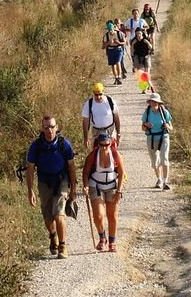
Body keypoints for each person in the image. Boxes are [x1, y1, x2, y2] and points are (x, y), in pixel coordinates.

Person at [26, 115, 77, 259]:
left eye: (52, 127)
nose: (50, 130)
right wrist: (30, 191)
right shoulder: (36, 146)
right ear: (42, 129)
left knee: (59, 213)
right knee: (48, 218)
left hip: (61, 181)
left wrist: (73, 190)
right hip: (44, 182)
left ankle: (63, 246)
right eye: (46, 127)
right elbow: (30, 170)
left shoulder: (64, 145)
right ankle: (53, 235)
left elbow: (71, 168)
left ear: (57, 128)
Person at [82, 132, 125, 252]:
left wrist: (119, 191)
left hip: (112, 186)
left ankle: (112, 242)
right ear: (98, 144)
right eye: (102, 145)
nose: (104, 147)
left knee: (112, 215)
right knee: (99, 216)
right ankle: (102, 238)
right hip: (95, 185)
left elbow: (121, 174)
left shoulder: (116, 155)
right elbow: (85, 172)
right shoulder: (92, 155)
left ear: (110, 143)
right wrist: (85, 186)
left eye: (107, 145)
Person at [141, 93, 173, 190]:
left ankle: (165, 181)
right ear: (150, 102)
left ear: (159, 103)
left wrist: (167, 126)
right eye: (152, 101)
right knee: (155, 162)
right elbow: (142, 128)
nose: (154, 103)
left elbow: (171, 127)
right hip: (151, 138)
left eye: (155, 102)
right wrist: (146, 125)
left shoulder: (164, 112)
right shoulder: (147, 113)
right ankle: (159, 179)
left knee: (164, 159)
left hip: (164, 137)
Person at [82, 82, 121, 149]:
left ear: (103, 92)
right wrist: (86, 138)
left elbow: (116, 117)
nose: (98, 97)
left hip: (110, 131)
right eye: (96, 95)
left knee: (115, 153)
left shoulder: (110, 101)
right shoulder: (89, 104)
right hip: (96, 132)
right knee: (94, 153)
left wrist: (118, 134)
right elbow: (85, 121)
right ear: (93, 93)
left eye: (100, 94)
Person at [102, 21, 125, 85]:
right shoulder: (106, 36)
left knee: (118, 62)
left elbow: (124, 42)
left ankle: (119, 77)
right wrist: (108, 43)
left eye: (111, 30)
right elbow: (103, 46)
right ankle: (116, 77)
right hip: (110, 50)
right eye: (109, 30)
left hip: (118, 49)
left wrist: (118, 43)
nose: (110, 32)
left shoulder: (119, 34)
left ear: (113, 28)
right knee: (113, 65)